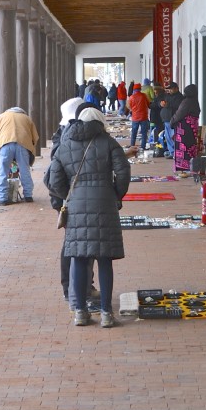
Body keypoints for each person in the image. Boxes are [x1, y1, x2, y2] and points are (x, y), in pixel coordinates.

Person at [47, 106, 131, 328]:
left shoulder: (65, 145)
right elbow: (123, 172)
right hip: (105, 205)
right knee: (104, 260)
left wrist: (70, 195)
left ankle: (81, 312)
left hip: (76, 208)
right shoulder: (109, 143)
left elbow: (53, 180)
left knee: (79, 258)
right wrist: (115, 193)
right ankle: (106, 313)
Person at [0, 106, 39, 205]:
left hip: (5, 144)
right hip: (23, 145)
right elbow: (35, 138)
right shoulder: (27, 118)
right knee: (25, 171)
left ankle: (2, 198)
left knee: (2, 172)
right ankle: (28, 195)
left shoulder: (0, 117)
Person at [169, 83, 201, 171]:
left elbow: (179, 114)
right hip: (192, 128)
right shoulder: (195, 101)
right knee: (191, 145)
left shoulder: (187, 101)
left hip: (185, 129)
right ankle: (191, 165)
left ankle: (183, 166)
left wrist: (172, 122)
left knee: (184, 146)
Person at [160, 81, 183, 158]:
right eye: (168, 89)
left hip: (174, 119)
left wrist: (168, 104)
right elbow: (158, 102)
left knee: (173, 136)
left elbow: (178, 106)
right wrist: (161, 104)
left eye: (171, 89)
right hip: (166, 119)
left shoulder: (180, 97)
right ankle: (172, 152)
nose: (169, 90)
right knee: (168, 136)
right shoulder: (166, 95)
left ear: (176, 88)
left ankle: (176, 152)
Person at [127, 81, 150, 151]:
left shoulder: (131, 97)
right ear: (140, 89)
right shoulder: (144, 96)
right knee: (144, 133)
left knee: (134, 132)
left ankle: (132, 146)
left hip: (135, 117)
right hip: (144, 117)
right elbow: (149, 104)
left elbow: (128, 106)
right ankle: (143, 146)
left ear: (134, 89)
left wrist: (133, 110)